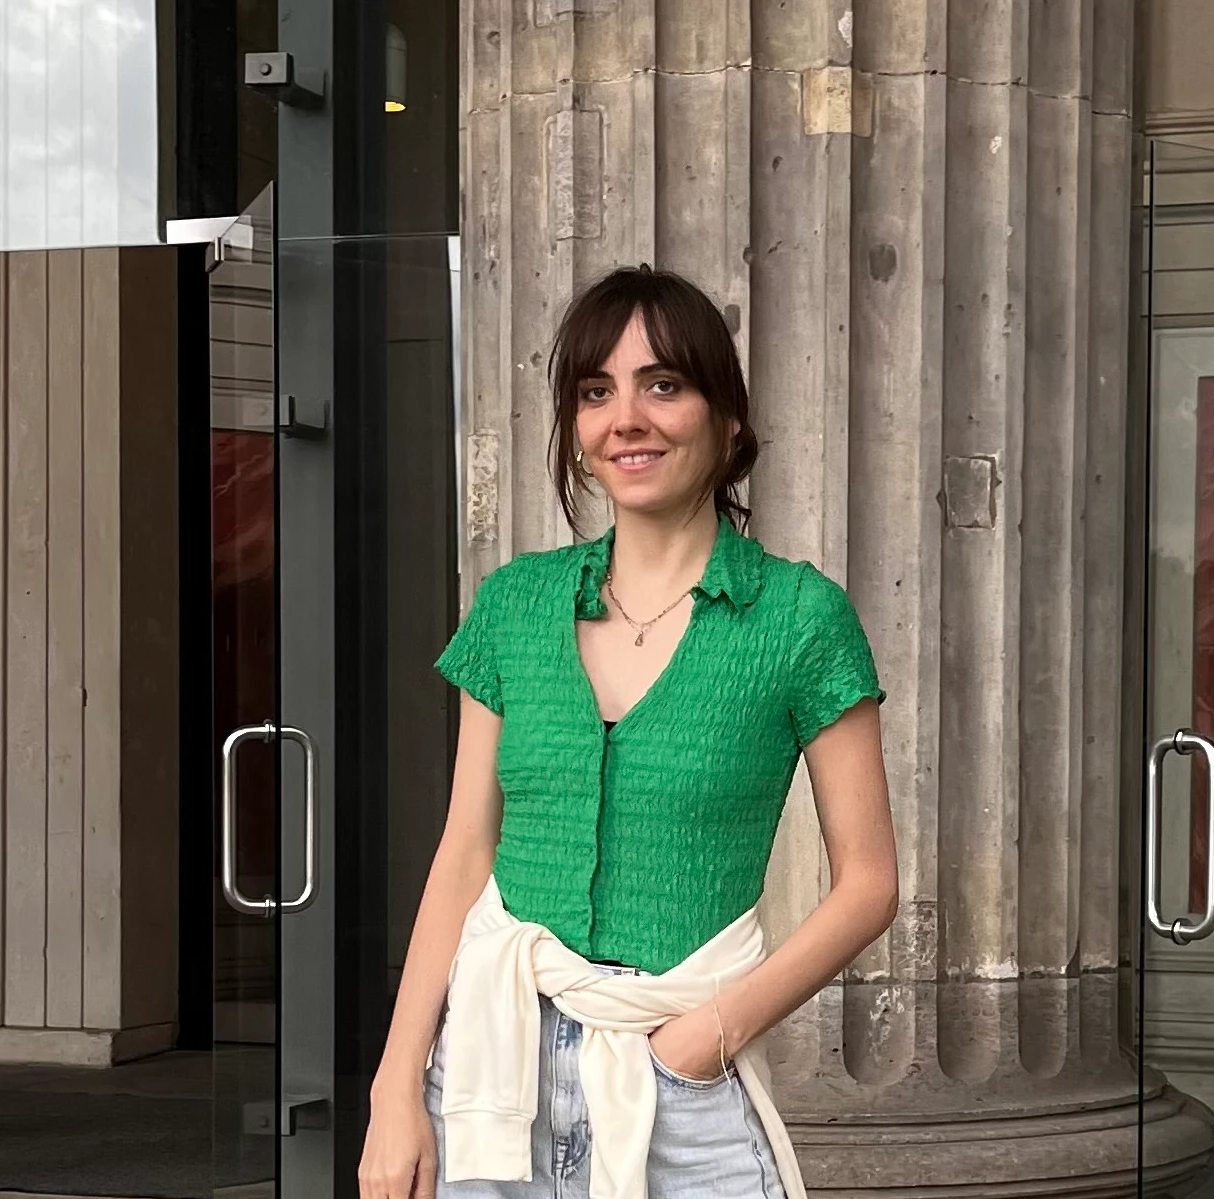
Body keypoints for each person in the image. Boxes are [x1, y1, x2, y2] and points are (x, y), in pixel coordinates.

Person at [357, 265, 898, 1199]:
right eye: (596, 392)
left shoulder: (799, 619)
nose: (627, 419)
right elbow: (465, 851)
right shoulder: (516, 605)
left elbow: (869, 883)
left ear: (727, 419)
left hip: (679, 1086)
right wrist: (393, 1087)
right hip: (491, 1074)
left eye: (663, 384)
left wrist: (707, 1037)